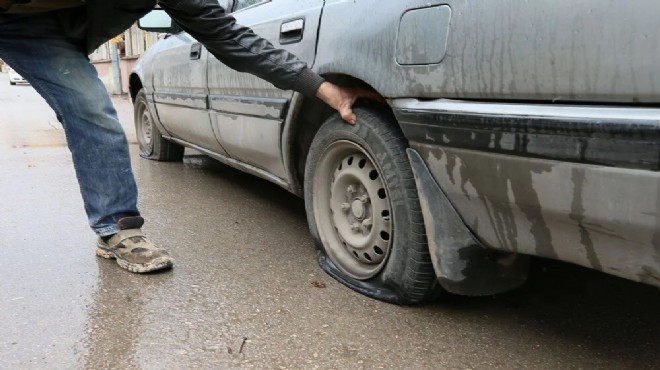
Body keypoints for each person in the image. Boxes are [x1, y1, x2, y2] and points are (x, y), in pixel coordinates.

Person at [0, 0, 377, 273]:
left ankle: (116, 229)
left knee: (93, 112)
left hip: (43, 35)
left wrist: (322, 88)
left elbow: (229, 38)